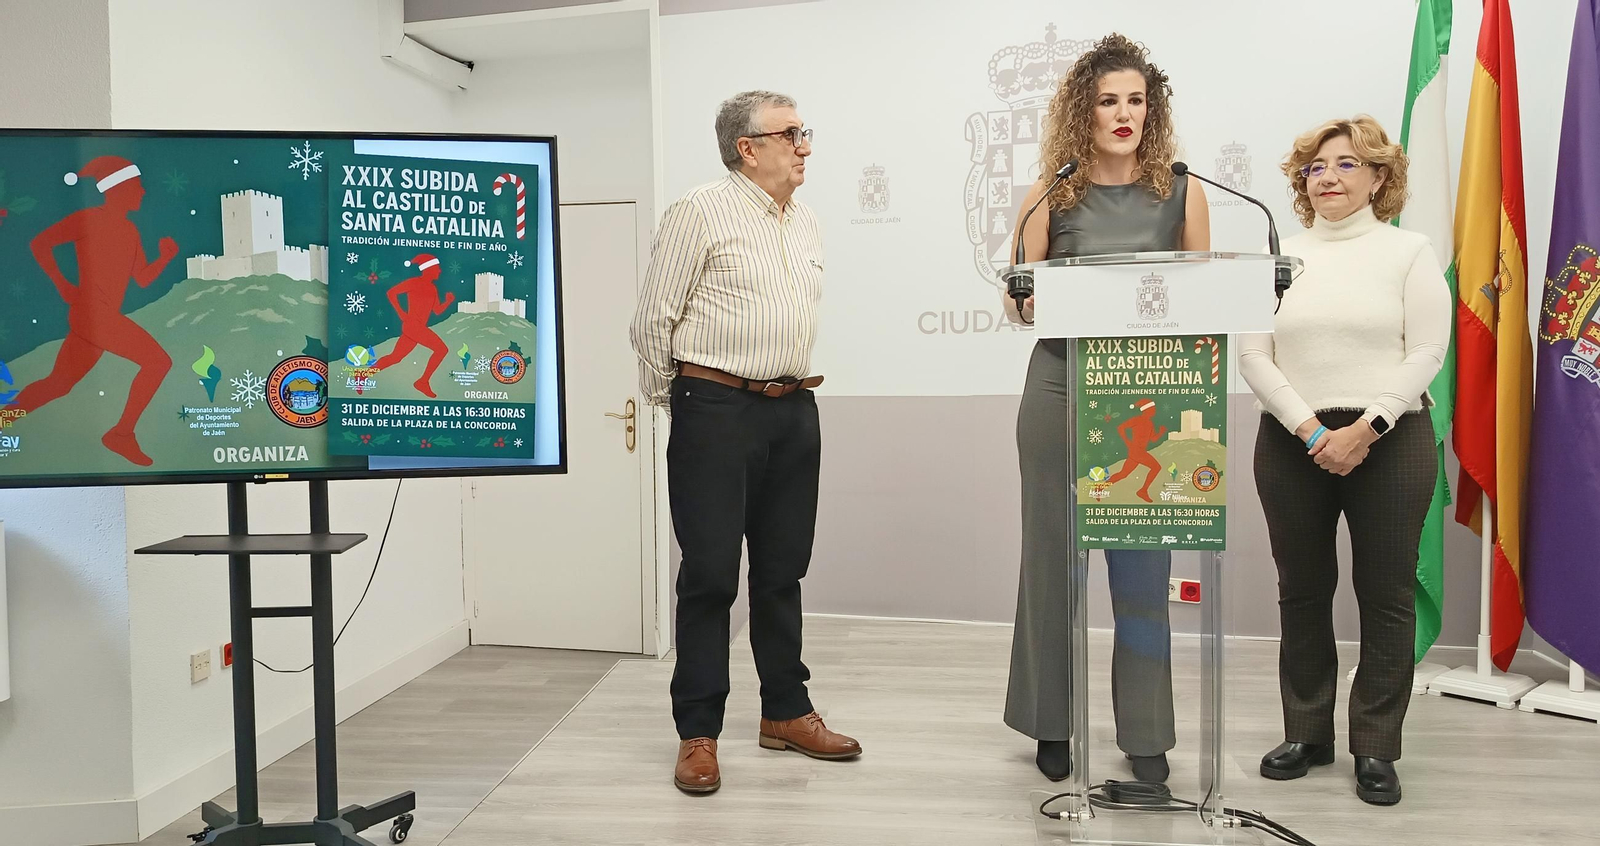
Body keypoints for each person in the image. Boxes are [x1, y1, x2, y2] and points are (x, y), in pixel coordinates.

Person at [629, 90, 859, 796]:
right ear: (747, 148)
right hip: (716, 408)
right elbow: (650, 324)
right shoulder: (699, 211)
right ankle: (698, 733)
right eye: (792, 134)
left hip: (794, 408)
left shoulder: (808, 223)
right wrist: (689, 408)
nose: (806, 146)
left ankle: (785, 712)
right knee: (710, 576)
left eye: (804, 133)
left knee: (782, 571)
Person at [1003, 34, 1209, 785]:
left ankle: (1147, 735)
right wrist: (1038, 290)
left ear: (1151, 110)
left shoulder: (1184, 191)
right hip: (1061, 384)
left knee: (1143, 567)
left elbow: (1200, 297)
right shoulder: (1049, 191)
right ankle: (1051, 722)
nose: (1124, 114)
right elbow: (1020, 305)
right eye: (1107, 101)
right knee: (1053, 562)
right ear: (1080, 111)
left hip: (1148, 389)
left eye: (1136, 101)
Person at [1239, 115, 1450, 806]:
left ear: (1380, 177)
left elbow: (1426, 352)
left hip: (1389, 438)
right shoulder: (1277, 257)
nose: (1327, 177)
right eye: (1316, 167)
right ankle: (1308, 733)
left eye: (1346, 165)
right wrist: (1308, 429)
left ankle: (1376, 748)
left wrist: (1366, 426)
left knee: (1385, 598)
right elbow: (1253, 353)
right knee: (1302, 592)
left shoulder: (1410, 251)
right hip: (1292, 438)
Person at [12, 155, 177, 466]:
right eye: (138, 186)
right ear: (120, 188)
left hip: (99, 319)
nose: (143, 192)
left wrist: (165, 257)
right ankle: (121, 435)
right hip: (93, 315)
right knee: (158, 362)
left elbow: (141, 278)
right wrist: (62, 285)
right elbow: (40, 243)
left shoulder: (131, 231)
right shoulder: (88, 218)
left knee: (58, 384)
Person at [373, 253, 455, 398]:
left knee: (395, 357)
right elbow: (392, 292)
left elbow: (436, 310)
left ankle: (362, 375)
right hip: (413, 326)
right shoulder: (414, 282)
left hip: (416, 328)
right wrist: (401, 313)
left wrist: (448, 301)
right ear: (429, 269)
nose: (440, 271)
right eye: (438, 268)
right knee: (441, 349)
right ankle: (423, 382)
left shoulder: (433, 288)